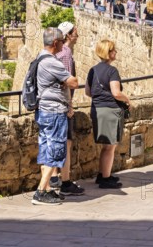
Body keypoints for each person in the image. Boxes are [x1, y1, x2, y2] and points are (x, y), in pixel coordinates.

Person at [32, 27, 78, 206]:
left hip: (43, 110)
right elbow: (73, 82)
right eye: (60, 41)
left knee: (45, 149)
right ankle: (41, 191)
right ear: (56, 43)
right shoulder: (52, 62)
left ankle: (48, 191)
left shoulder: (39, 56)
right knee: (56, 148)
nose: (62, 44)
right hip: (54, 111)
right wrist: (64, 81)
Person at [85, 40, 131, 189]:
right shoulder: (112, 71)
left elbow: (88, 92)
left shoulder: (92, 70)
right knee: (110, 147)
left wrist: (100, 98)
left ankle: (103, 174)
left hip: (97, 109)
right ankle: (105, 178)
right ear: (108, 52)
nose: (116, 52)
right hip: (110, 110)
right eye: (114, 50)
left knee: (106, 146)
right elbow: (116, 93)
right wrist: (127, 99)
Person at [49, 22, 85, 196]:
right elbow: (67, 82)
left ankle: (55, 176)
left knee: (56, 141)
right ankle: (65, 181)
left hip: (51, 103)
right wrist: (70, 105)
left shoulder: (55, 53)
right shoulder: (66, 53)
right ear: (69, 35)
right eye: (75, 33)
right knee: (66, 142)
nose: (78, 35)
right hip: (62, 103)